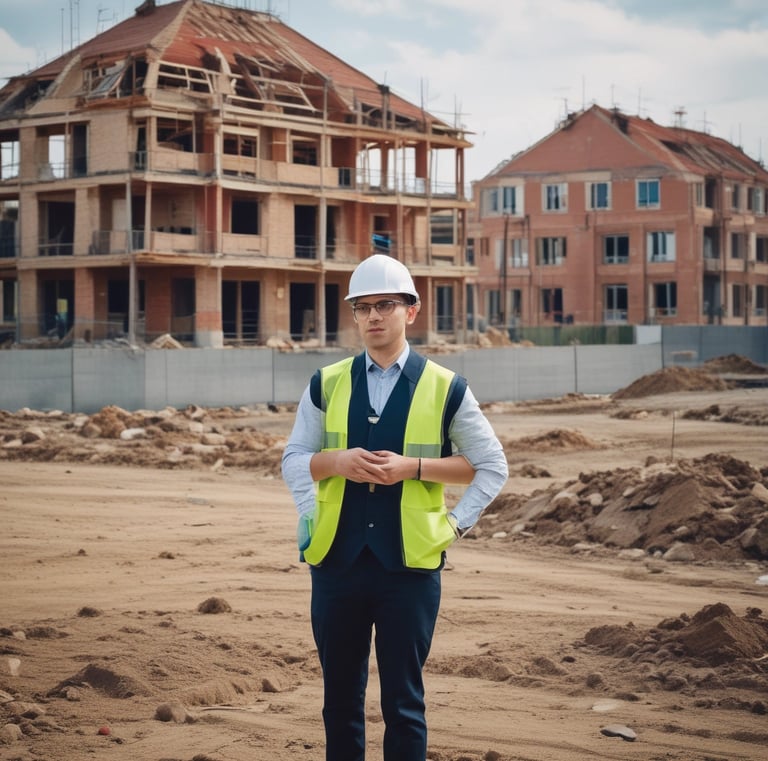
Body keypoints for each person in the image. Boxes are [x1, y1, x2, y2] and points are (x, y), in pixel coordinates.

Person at [281, 254, 508, 761]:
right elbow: (294, 458)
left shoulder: (446, 387)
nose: (373, 317)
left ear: (412, 310)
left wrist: (440, 506)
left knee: (404, 704)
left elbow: (490, 466)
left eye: (385, 305)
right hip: (336, 565)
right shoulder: (327, 382)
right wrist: (332, 469)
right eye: (362, 308)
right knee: (338, 702)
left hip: (409, 568)